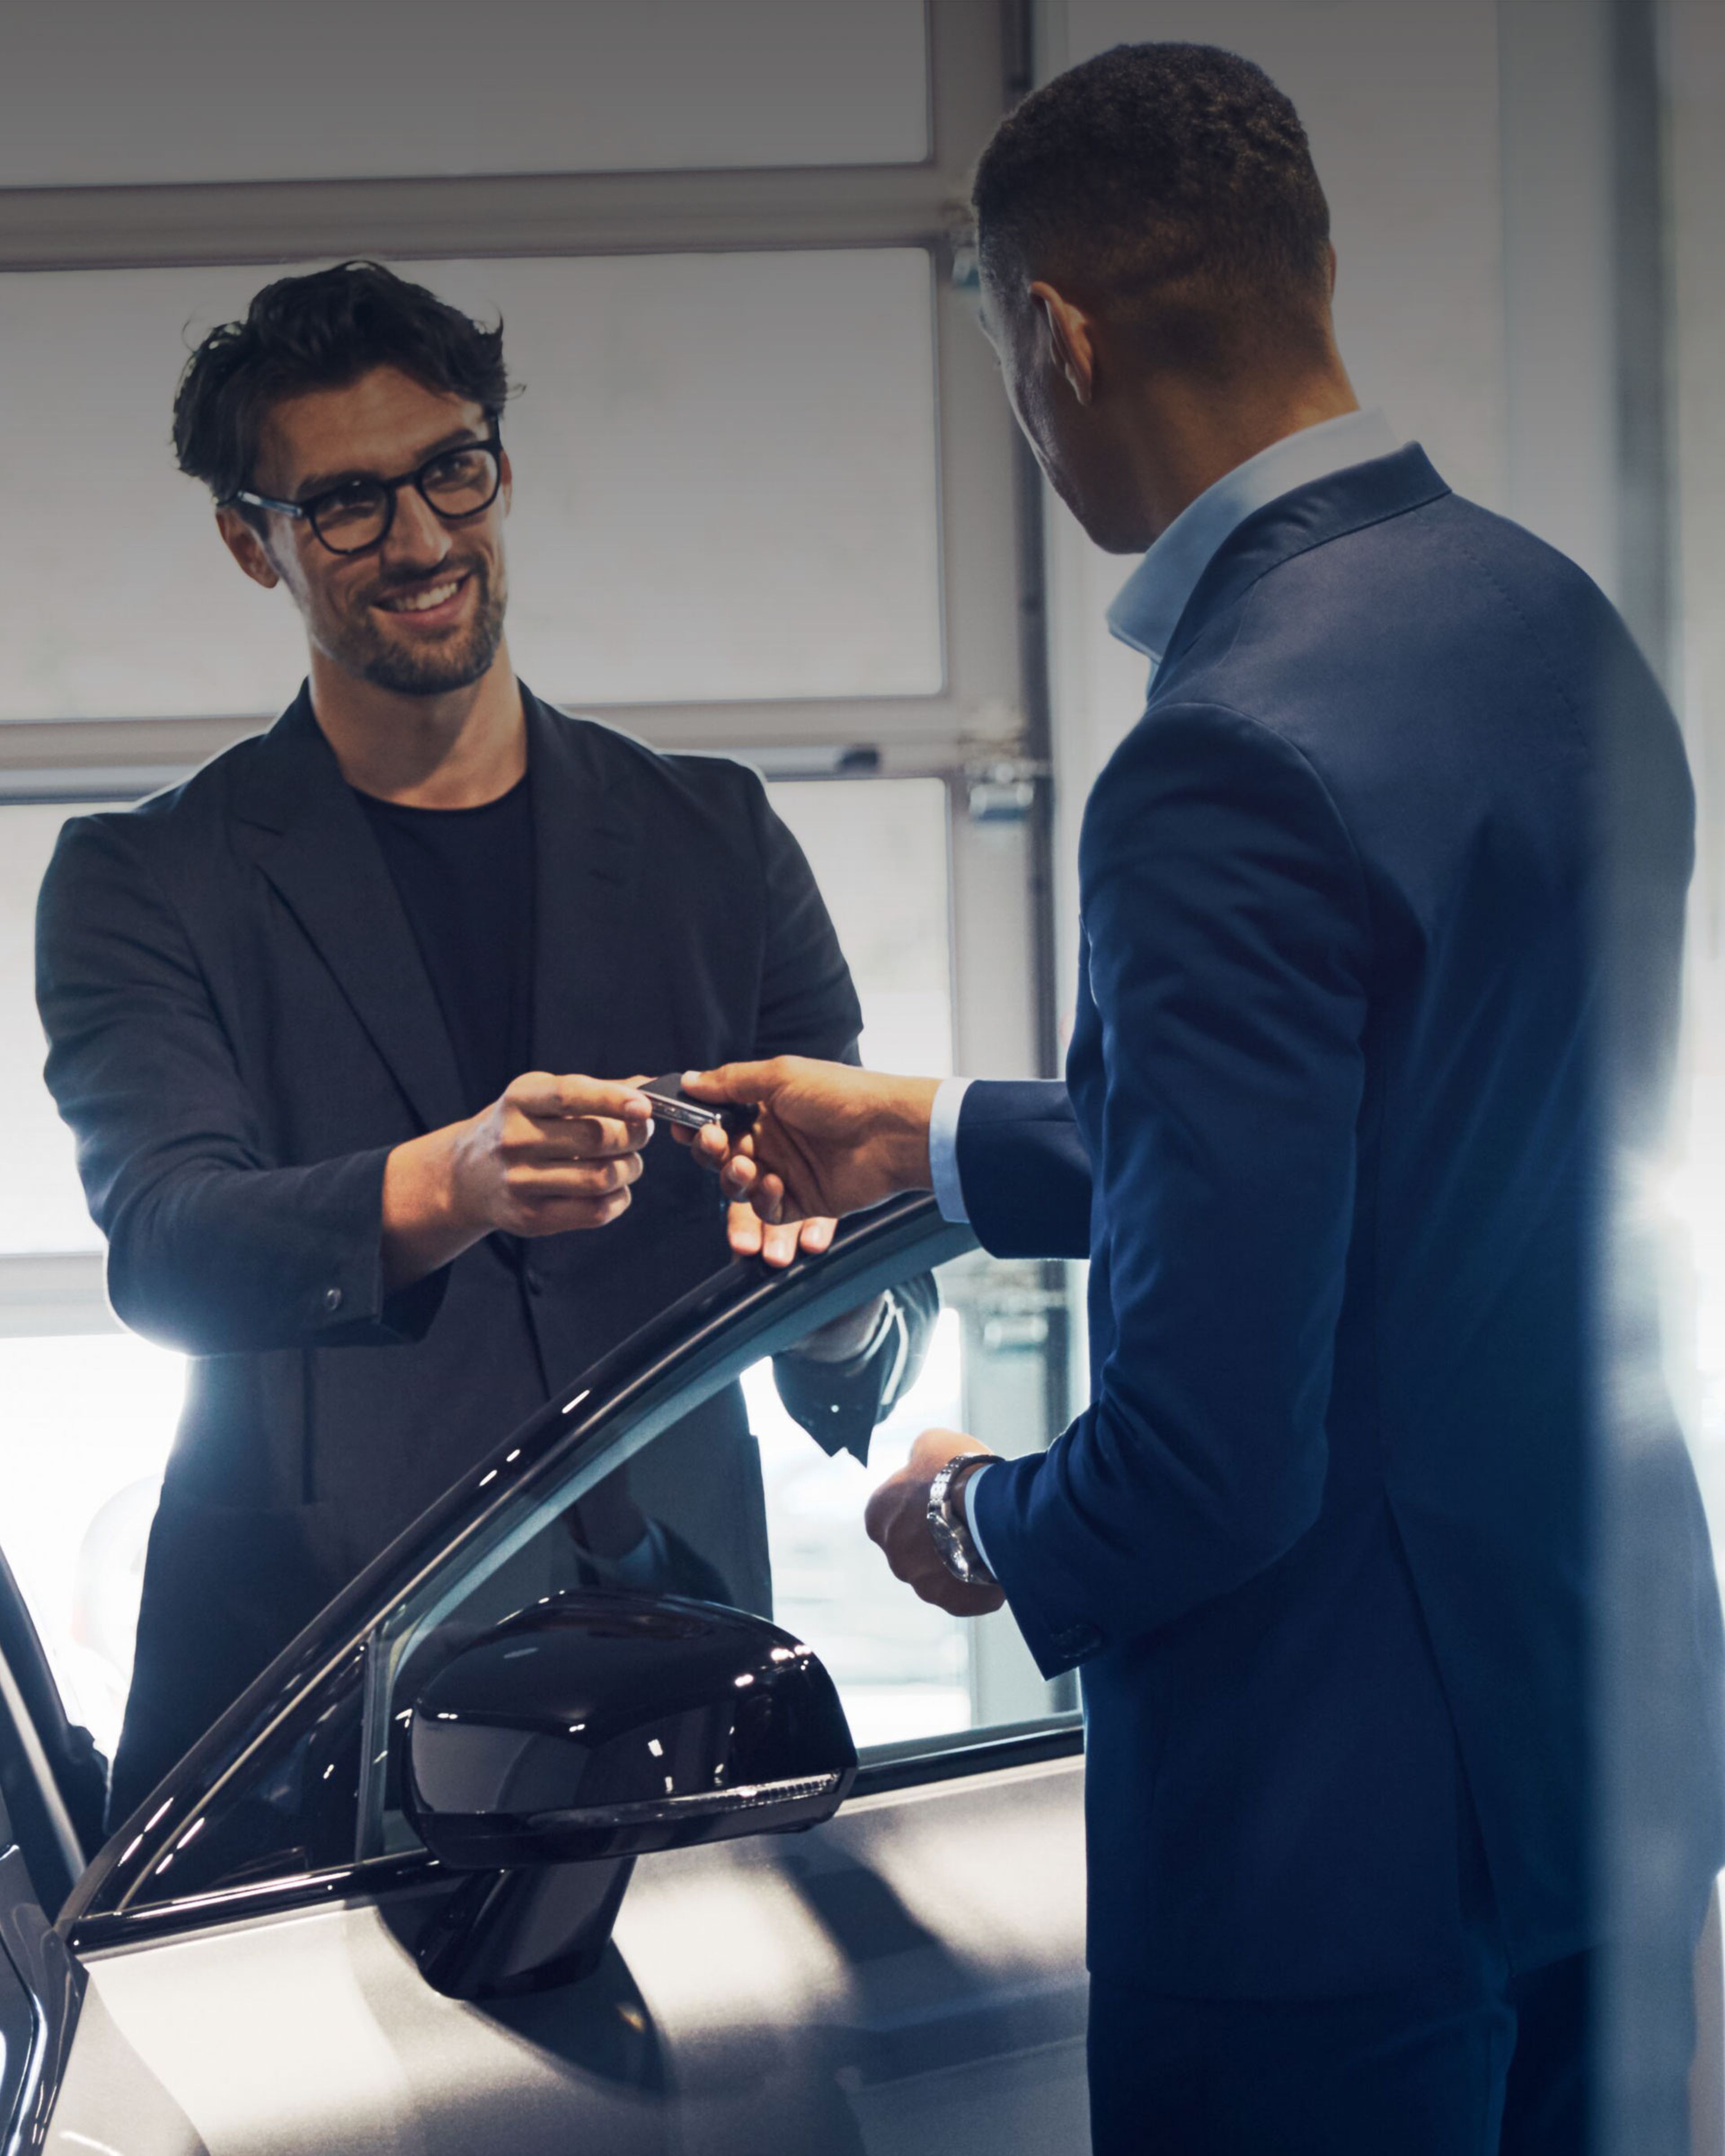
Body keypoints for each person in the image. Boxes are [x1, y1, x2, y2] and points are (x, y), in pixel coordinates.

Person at [681, 42, 1725, 2156]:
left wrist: (971, 1517)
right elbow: (1437, 1154)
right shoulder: (1548, 625)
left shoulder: (1224, 755)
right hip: (1599, 1748)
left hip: (1319, 1863)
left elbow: (1211, 1462)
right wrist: (945, 1133)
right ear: (1313, 262)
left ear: (1051, 338)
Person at [36, 261, 930, 1828]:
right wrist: (451, 1182)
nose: (425, 539)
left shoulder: (711, 834)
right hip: (295, 1701)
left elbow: (866, 1284)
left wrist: (836, 1302)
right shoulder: (142, 877)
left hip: (680, 1679)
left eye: (455, 469)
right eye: (348, 504)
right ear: (253, 542)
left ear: (500, 466)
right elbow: (170, 1251)